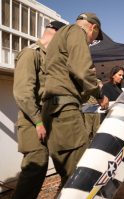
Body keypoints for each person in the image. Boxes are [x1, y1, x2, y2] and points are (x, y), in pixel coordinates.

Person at [42, 13, 109, 186]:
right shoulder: (77, 31)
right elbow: (82, 71)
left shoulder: (59, 37)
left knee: (66, 173)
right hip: (65, 109)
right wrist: (100, 95)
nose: (91, 42)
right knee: (80, 174)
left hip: (52, 109)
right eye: (93, 39)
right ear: (92, 27)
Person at [12, 20, 66, 199]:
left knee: (40, 169)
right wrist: (37, 121)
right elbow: (23, 93)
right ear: (57, 34)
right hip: (32, 122)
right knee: (35, 167)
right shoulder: (30, 53)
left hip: (44, 121)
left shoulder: (47, 56)